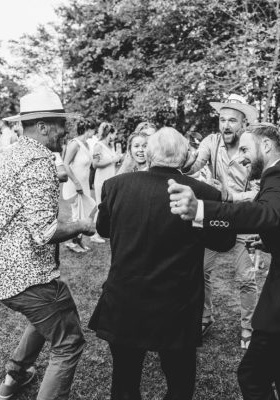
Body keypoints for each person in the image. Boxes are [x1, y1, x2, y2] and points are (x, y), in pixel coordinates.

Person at [168, 123, 280, 400]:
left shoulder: (279, 174)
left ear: (265, 146)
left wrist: (202, 210)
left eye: (244, 149)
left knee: (252, 374)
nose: (240, 157)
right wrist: (269, 242)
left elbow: (269, 213)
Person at [90, 127, 235, 400]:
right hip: (176, 303)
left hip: (126, 298)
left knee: (124, 381)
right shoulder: (202, 192)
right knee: (179, 383)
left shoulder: (117, 186)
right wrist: (222, 204)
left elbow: (104, 229)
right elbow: (225, 242)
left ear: (151, 153)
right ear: (184, 157)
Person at [0, 88, 94, 400]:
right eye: (61, 125)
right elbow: (44, 231)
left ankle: (13, 379)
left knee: (45, 320)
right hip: (28, 276)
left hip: (1, 270)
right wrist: (85, 224)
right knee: (68, 342)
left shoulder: (14, 154)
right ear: (43, 126)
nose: (65, 131)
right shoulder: (36, 161)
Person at [181, 94, 260, 348]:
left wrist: (231, 196)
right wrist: (183, 160)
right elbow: (193, 167)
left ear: (243, 124)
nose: (226, 125)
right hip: (215, 219)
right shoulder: (211, 141)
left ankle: (249, 326)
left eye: (232, 121)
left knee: (246, 278)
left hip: (243, 220)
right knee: (201, 271)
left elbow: (260, 192)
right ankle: (205, 317)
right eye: (222, 119)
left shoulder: (254, 147)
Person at [62, 118, 96, 253]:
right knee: (77, 214)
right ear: (88, 130)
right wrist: (76, 182)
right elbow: (65, 164)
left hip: (84, 184)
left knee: (84, 213)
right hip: (75, 184)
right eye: (93, 129)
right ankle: (72, 243)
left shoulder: (86, 144)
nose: (94, 132)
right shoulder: (74, 144)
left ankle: (78, 241)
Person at [90, 122, 121, 244]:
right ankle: (96, 233)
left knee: (110, 204)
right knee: (101, 204)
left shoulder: (111, 146)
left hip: (110, 177)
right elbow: (95, 164)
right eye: (115, 134)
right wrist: (112, 160)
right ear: (110, 133)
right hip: (101, 178)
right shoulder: (98, 146)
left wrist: (118, 159)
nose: (116, 137)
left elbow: (113, 160)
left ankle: (107, 229)